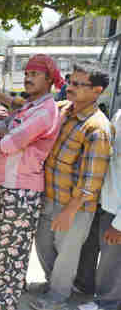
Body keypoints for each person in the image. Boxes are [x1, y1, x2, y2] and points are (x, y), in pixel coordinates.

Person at [0, 54, 62, 310]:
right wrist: (4, 125)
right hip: (13, 185)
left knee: (12, 247)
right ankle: (10, 289)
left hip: (22, 189)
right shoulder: (31, 106)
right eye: (26, 73)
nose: (27, 78)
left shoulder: (46, 111)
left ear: (49, 80)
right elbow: (8, 123)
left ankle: (6, 302)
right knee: (8, 243)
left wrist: (1, 132)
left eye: (34, 74)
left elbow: (8, 143)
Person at [31, 61, 113, 310]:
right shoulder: (65, 110)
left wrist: (70, 211)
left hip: (74, 206)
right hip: (50, 196)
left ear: (97, 91)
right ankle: (53, 284)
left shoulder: (97, 128)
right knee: (43, 243)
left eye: (79, 84)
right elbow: (35, 111)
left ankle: (57, 298)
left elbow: (92, 180)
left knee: (67, 254)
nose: (70, 87)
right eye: (70, 80)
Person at [76, 108, 121, 310]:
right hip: (104, 199)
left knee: (112, 261)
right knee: (91, 247)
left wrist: (119, 224)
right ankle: (86, 287)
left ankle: (108, 303)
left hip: (116, 209)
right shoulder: (119, 114)